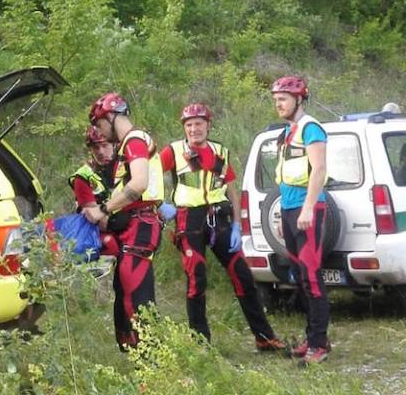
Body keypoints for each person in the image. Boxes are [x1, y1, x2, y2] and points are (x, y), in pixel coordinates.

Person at [159, 103, 286, 351]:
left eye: (198, 124)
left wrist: (238, 225)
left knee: (243, 276)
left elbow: (231, 190)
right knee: (197, 280)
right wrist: (159, 205)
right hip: (188, 220)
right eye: (189, 125)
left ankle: (264, 337)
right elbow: (148, 175)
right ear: (184, 128)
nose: (194, 129)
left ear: (208, 125)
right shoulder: (173, 151)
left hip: (220, 219)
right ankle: (200, 344)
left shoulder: (220, 151)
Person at [83, 92, 165, 350]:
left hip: (142, 225)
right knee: (130, 293)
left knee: (138, 297)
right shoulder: (130, 143)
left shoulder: (134, 140)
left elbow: (139, 183)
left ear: (109, 116)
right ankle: (145, 358)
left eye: (98, 124)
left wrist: (103, 210)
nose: (99, 131)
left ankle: (152, 364)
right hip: (136, 224)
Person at [271, 76, 331, 364]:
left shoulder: (311, 128)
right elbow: (286, 177)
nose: (278, 104)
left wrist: (307, 208)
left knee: (311, 277)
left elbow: (318, 170)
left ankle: (319, 345)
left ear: (298, 99)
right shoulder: (288, 131)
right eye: (276, 99)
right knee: (300, 278)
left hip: (309, 210)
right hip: (290, 209)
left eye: (283, 98)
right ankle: (312, 337)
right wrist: (285, 213)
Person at [68, 126, 119, 257]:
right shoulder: (83, 176)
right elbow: (94, 217)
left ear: (114, 145)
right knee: (111, 243)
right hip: (96, 235)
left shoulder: (125, 168)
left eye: (104, 145)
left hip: (124, 228)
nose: (101, 152)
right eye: (96, 147)